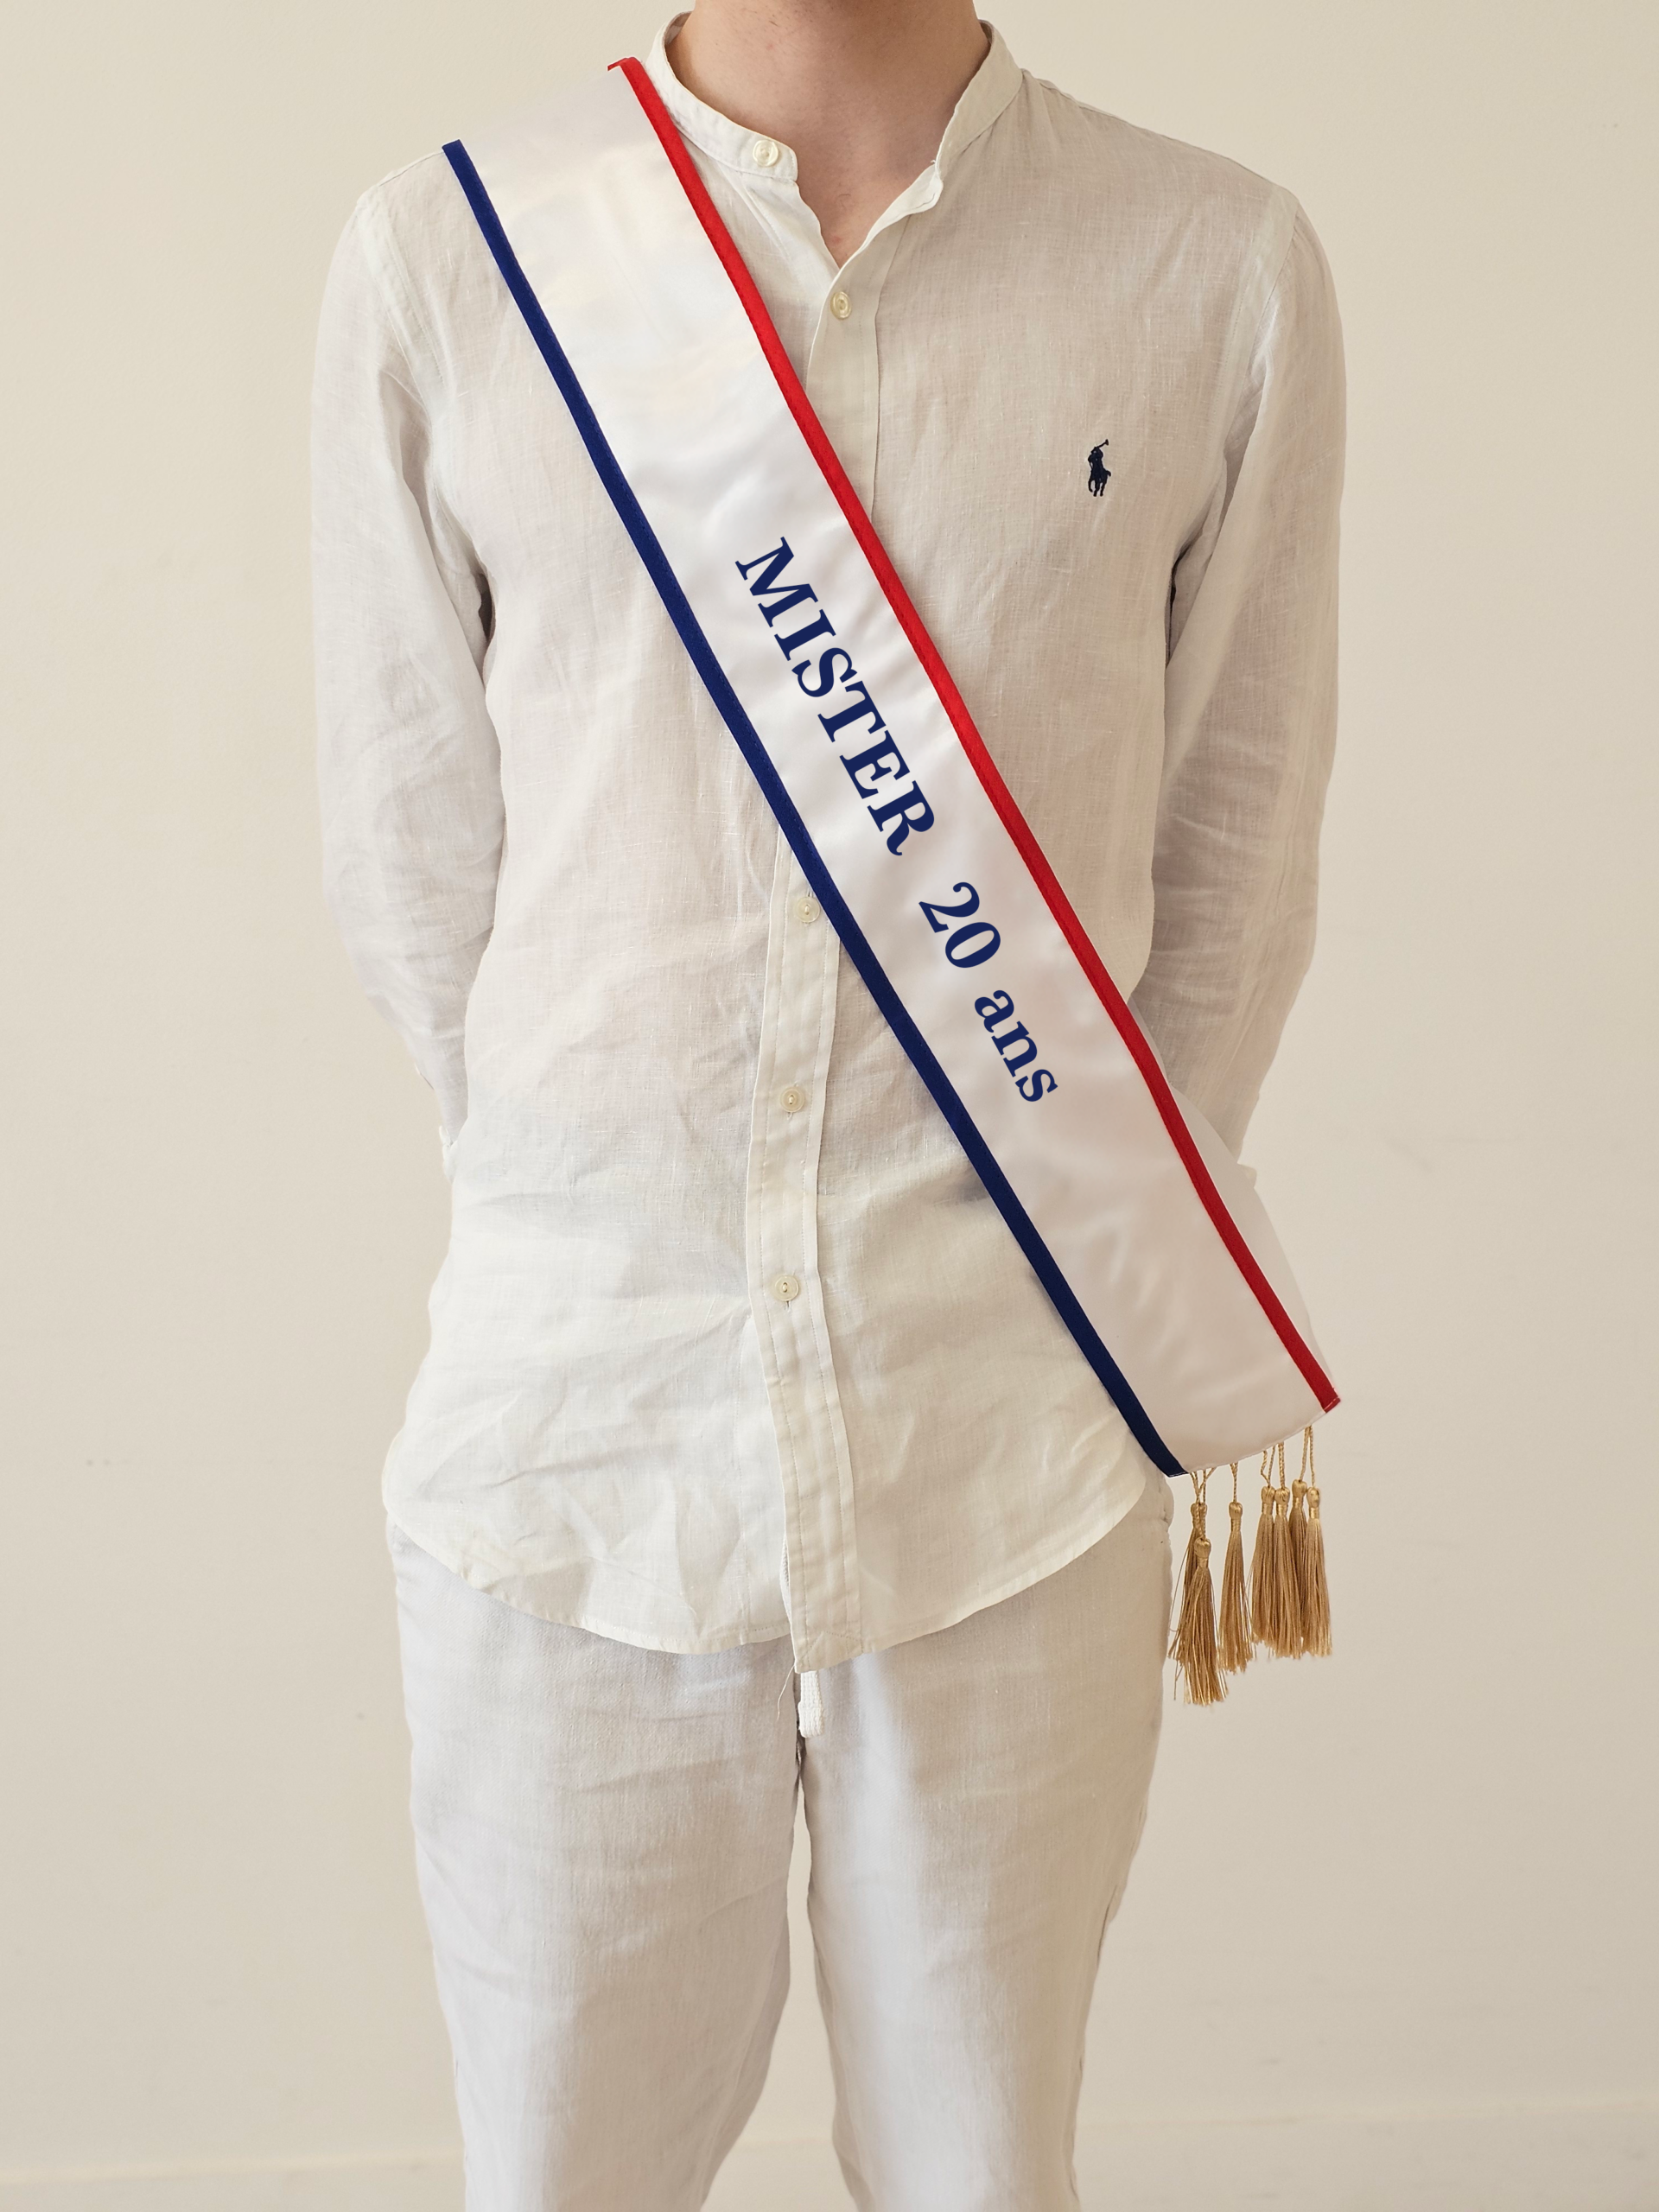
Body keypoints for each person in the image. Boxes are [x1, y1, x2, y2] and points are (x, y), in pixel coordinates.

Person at [312, 2, 1344, 2204]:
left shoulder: (1215, 260)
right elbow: (415, 863)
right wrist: (600, 1197)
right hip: (576, 1450)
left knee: (986, 2167)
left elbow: (1237, 857)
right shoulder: (450, 252)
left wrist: (1083, 1234)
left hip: (1011, 1444)